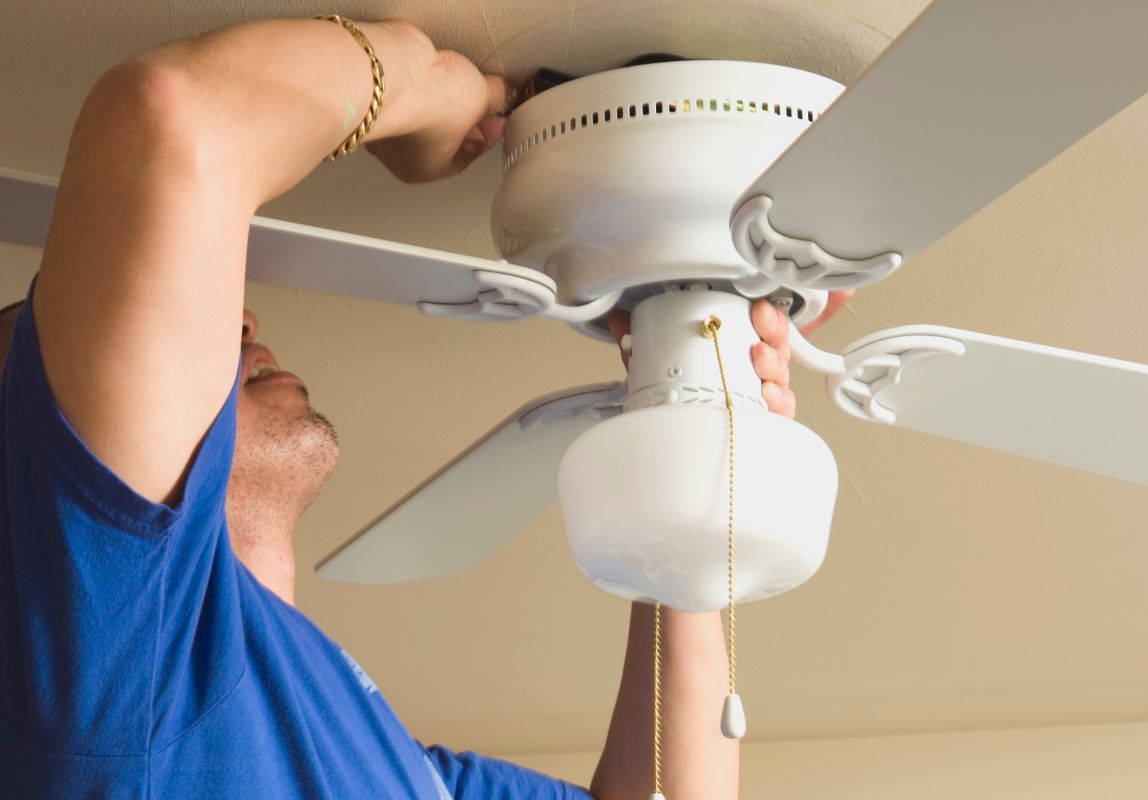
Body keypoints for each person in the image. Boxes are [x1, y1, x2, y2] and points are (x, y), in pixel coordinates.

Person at [0, 15, 845, 799]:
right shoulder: (101, 671)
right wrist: (425, 80)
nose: (241, 315)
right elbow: (170, 119)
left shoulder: (391, 770)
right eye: (65, 359)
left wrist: (694, 416)